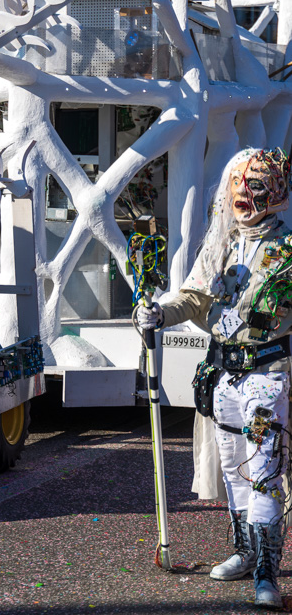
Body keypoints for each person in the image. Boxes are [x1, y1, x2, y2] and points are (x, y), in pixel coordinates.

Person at [137, 147, 292, 609]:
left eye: (257, 183)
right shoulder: (220, 241)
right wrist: (159, 312)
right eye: (239, 183)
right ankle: (245, 552)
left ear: (277, 189)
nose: (244, 192)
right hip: (223, 374)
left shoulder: (287, 247)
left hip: (268, 374)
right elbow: (194, 297)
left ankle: (267, 570)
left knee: (264, 471)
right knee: (232, 466)